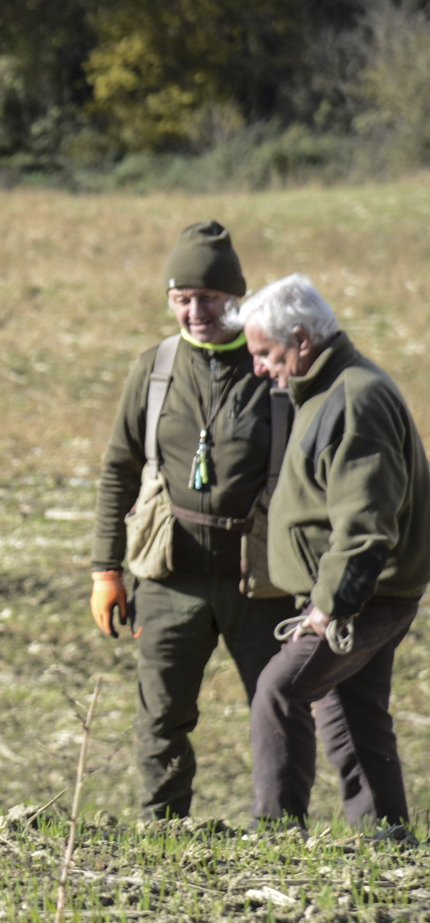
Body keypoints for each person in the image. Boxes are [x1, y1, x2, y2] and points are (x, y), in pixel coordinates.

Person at [90, 221, 293, 820]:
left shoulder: (275, 368)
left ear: (238, 296)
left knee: (276, 709)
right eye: (182, 299)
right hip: (168, 578)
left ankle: (280, 833)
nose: (195, 311)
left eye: (208, 297)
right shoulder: (153, 369)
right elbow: (117, 471)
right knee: (160, 715)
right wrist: (106, 569)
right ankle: (163, 833)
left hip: (259, 581)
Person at [241, 274, 430, 836]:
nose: (259, 367)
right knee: (351, 717)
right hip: (358, 595)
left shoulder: (355, 398)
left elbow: (366, 525)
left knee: (278, 693)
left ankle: (275, 834)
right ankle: (386, 838)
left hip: (362, 598)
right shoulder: (327, 389)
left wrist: (328, 607)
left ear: (301, 340)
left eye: (265, 353)